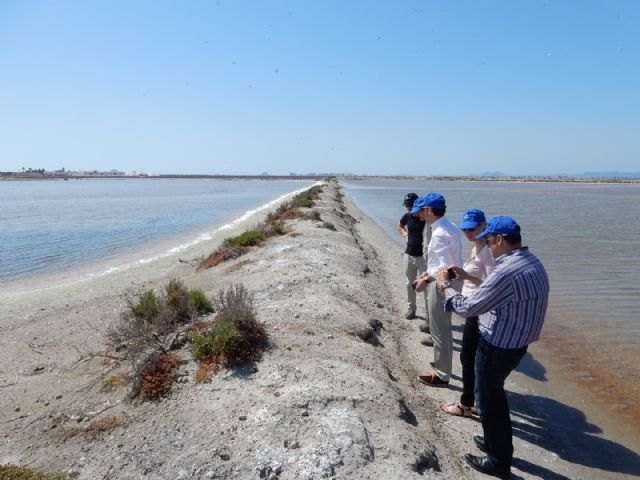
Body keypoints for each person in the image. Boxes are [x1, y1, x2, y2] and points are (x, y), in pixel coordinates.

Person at [435, 216, 549, 479]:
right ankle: (493, 442)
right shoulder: (532, 261)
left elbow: (469, 308)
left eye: (488, 240)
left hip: (498, 345)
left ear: (498, 240)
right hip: (517, 344)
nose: (486, 246)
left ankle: (498, 461)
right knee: (492, 395)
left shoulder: (505, 271)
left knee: (491, 401)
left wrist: (444, 286)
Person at [439, 209, 494, 417]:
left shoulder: (487, 251)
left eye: (472, 228)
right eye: (465, 229)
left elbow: (491, 285)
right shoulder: (476, 248)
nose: (468, 233)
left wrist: (466, 276)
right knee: (470, 358)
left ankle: (467, 404)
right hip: (472, 306)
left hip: (480, 309)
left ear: (483, 226)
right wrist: (458, 277)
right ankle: (474, 402)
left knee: (468, 358)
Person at [412, 193, 462, 387]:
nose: (420, 215)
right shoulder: (450, 226)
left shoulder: (440, 234)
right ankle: (443, 364)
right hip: (452, 282)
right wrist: (427, 273)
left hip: (443, 284)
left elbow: (444, 269)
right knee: (444, 327)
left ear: (429, 211)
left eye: (422, 210)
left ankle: (442, 374)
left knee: (439, 329)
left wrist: (425, 280)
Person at [396, 193, 427, 320]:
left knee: (426, 285)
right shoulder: (407, 216)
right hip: (409, 254)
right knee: (409, 283)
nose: (408, 208)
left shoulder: (426, 219)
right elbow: (399, 225)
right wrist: (405, 235)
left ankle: (429, 315)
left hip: (424, 257)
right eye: (407, 205)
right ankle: (411, 309)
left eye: (410, 205)